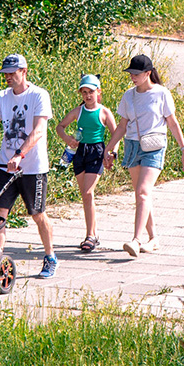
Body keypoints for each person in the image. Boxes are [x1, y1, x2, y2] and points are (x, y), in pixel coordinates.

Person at [103, 54, 184, 258]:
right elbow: (122, 125)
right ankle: (154, 239)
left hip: (154, 147)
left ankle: (136, 240)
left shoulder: (161, 94)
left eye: (136, 73)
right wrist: (109, 148)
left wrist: (183, 150)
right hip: (133, 146)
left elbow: (172, 122)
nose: (132, 77)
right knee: (142, 194)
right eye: (131, 73)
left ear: (148, 73)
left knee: (143, 192)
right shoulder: (129, 95)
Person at [0, 54, 58, 278]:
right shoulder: (1, 97)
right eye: (5, 73)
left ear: (24, 71)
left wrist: (20, 154)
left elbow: (39, 130)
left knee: (37, 214)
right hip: (6, 166)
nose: (7, 77)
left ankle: (50, 257)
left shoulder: (39, 95)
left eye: (11, 73)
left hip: (32, 168)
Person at [55, 74, 117, 253]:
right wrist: (68, 139)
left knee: (89, 192)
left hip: (97, 152)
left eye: (91, 92)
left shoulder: (104, 112)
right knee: (85, 194)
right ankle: (93, 234)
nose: (88, 96)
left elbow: (116, 134)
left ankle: (90, 235)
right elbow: (60, 126)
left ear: (98, 92)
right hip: (80, 152)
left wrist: (112, 152)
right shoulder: (78, 111)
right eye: (84, 92)